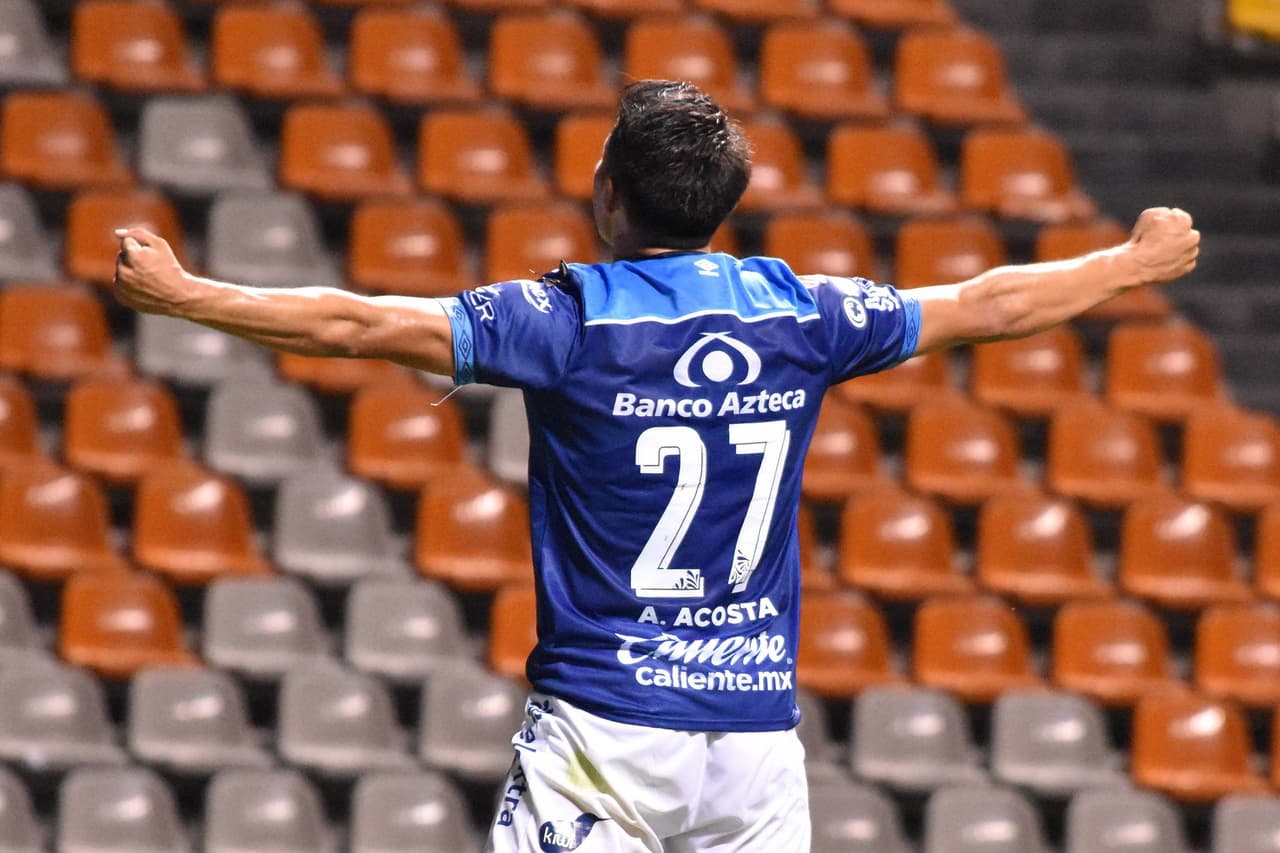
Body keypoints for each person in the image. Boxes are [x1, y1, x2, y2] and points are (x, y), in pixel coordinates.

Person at [114, 80, 1199, 853]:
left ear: (605, 196)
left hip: (606, 734)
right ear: (720, 207)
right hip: (753, 740)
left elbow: (355, 324)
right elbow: (989, 304)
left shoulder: (567, 322)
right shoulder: (801, 314)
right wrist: (1131, 262)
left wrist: (188, 294)